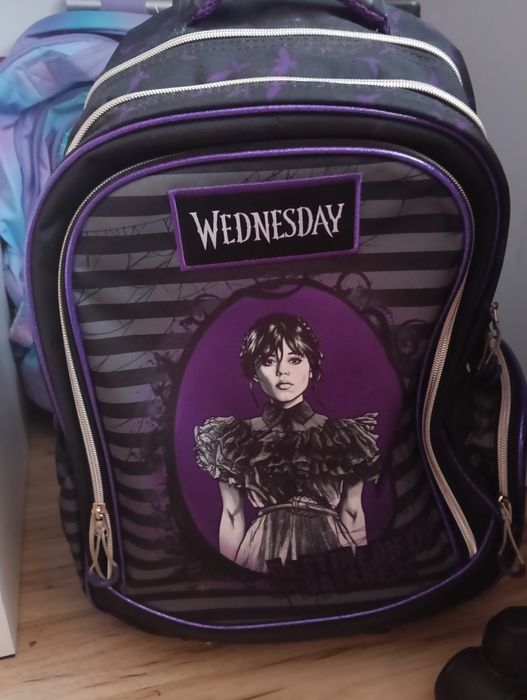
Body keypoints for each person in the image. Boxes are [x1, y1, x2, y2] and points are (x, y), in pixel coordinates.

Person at [194, 312, 381, 573]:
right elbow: (232, 515)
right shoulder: (235, 437)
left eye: (294, 359)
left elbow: (352, 511)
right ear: (254, 372)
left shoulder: (344, 435)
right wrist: (231, 576)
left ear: (312, 366)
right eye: (268, 361)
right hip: (263, 551)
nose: (283, 371)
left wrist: (361, 570)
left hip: (330, 551)